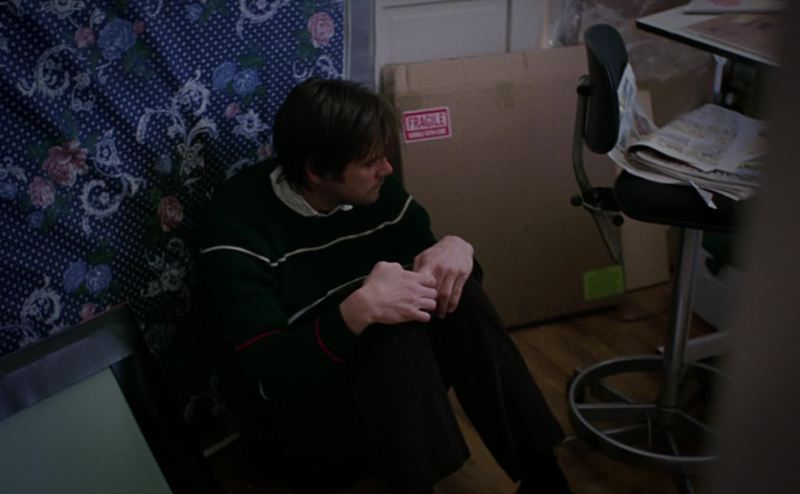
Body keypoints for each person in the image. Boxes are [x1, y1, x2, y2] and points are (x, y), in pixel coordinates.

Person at [198, 78, 571, 493]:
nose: (387, 169)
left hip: (388, 397)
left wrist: (457, 253)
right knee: (390, 327)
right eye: (371, 162)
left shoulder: (372, 191)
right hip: (299, 425)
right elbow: (269, 380)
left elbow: (435, 280)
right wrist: (357, 313)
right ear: (317, 172)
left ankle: (544, 478)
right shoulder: (237, 226)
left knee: (456, 295)